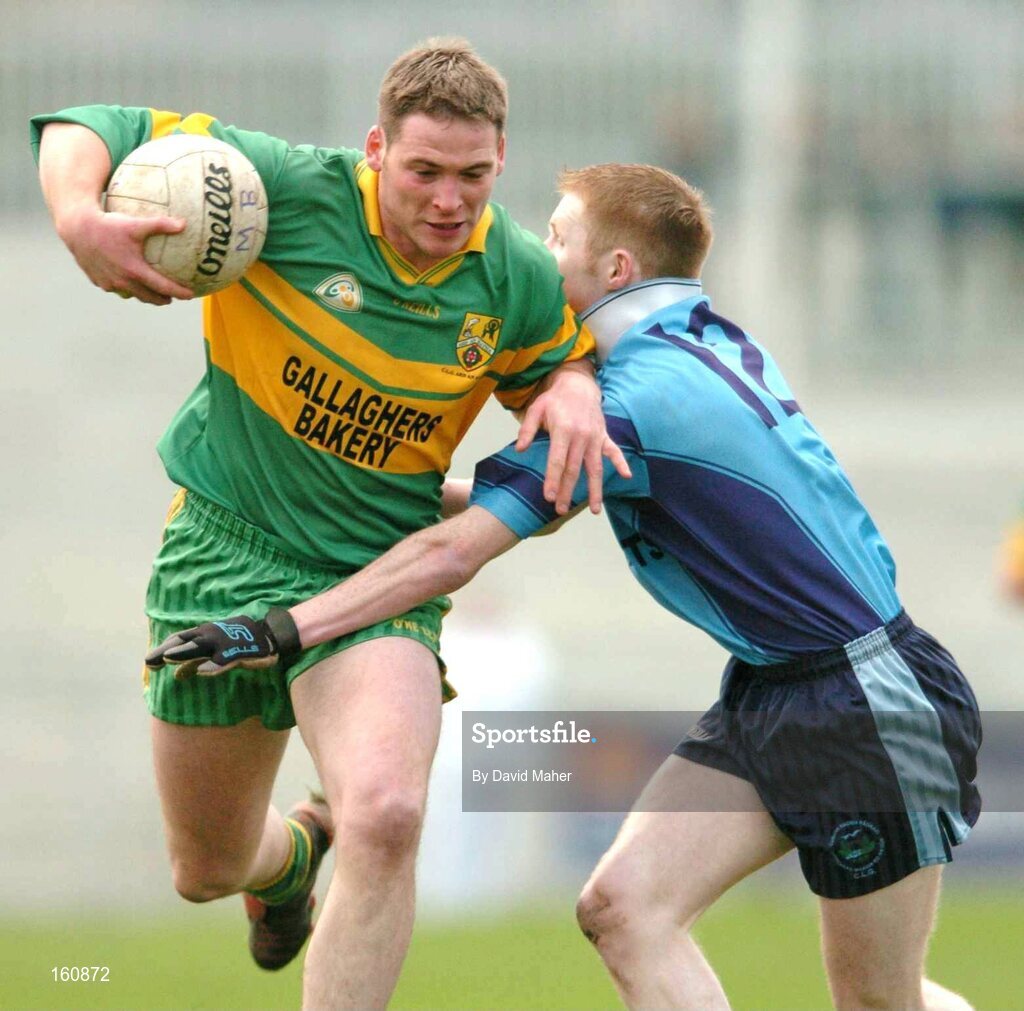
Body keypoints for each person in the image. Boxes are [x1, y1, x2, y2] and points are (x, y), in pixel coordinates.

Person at [148, 162, 981, 1011]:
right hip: (778, 688)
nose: (538, 252)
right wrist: (308, 477)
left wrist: (282, 627)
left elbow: (452, 555)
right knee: (624, 912)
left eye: (557, 235)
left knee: (881, 1002)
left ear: (615, 269)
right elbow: (533, 499)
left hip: (867, 705)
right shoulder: (694, 336)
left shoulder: (633, 397)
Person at [32, 39, 630, 1010]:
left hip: (375, 578)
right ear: (374, 151)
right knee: (207, 867)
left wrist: (569, 386)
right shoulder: (285, 191)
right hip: (223, 548)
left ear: (500, 164)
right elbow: (82, 128)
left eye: (472, 177)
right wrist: (76, 216)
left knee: (389, 812)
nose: (448, 200)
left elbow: (563, 398)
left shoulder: (514, 275)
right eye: (423, 172)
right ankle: (288, 860)